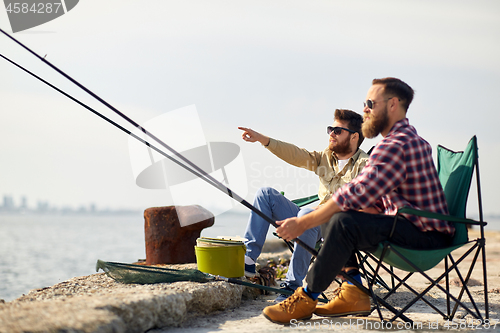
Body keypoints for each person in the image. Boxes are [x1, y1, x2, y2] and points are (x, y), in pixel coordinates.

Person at [263, 77, 454, 324]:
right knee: (339, 218)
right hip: (412, 227)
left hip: (424, 237)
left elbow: (356, 192)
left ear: (393, 104)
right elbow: (370, 193)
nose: (365, 109)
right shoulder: (402, 139)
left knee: (343, 221)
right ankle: (353, 290)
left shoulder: (397, 144)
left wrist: (304, 222)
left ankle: (307, 296)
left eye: (370, 103)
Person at [238, 109, 369, 302]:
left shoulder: (365, 165)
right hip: (311, 219)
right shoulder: (326, 157)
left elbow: (360, 205)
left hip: (336, 229)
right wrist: (263, 140)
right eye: (330, 129)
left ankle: (292, 286)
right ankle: (249, 260)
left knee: (307, 213)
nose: (331, 133)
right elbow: (297, 155)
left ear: (354, 137)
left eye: (337, 130)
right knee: (265, 194)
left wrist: (321, 211)